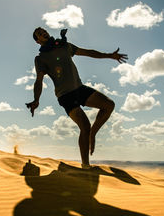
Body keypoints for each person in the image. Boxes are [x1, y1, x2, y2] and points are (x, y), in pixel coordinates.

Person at [26, 27, 128, 168]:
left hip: (80, 89)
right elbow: (39, 80)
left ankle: (92, 134)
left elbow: (87, 52)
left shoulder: (64, 45)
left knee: (109, 105)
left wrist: (109, 55)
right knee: (84, 126)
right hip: (65, 96)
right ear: (38, 41)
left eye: (43, 30)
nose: (43, 33)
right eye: (39, 34)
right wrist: (36, 99)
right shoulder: (40, 59)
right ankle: (86, 166)